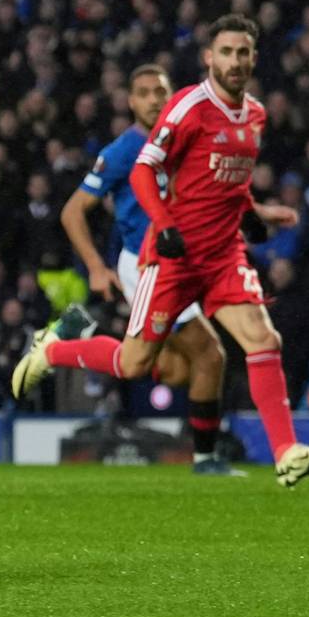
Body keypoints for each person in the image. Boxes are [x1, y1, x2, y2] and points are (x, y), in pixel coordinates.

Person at [13, 14, 309, 487]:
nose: (234, 61)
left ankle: (286, 453)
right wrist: (162, 227)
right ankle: (57, 350)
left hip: (224, 255)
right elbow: (145, 172)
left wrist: (256, 215)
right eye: (226, 52)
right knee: (137, 363)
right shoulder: (188, 108)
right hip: (173, 258)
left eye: (243, 52)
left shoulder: (255, 115)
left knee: (262, 341)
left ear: (253, 58)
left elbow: (228, 183)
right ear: (209, 58)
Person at [52, 63, 237, 475]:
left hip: (181, 267)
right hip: (147, 265)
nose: (154, 99)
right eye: (144, 92)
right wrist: (97, 268)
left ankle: (66, 343)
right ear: (131, 102)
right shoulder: (121, 152)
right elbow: (72, 213)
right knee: (211, 355)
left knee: (170, 370)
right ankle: (206, 459)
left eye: (161, 91)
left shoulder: (183, 142)